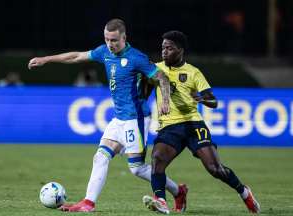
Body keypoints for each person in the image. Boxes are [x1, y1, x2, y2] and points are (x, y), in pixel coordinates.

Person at [28, 19, 187, 212]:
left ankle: (178, 191)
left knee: (136, 168)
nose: (110, 44)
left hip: (135, 119)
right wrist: (46, 59)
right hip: (118, 119)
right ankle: (88, 203)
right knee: (100, 157)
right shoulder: (104, 52)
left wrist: (164, 101)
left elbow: (161, 77)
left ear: (124, 37)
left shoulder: (136, 58)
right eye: (107, 39)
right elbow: (76, 56)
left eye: (114, 40)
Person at [142, 31, 261, 214]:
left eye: (169, 48)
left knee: (215, 169)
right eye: (163, 48)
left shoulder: (193, 73)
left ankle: (244, 192)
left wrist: (202, 98)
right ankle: (161, 201)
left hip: (193, 125)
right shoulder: (156, 69)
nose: (164, 52)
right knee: (157, 160)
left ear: (180, 51)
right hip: (169, 127)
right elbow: (143, 93)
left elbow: (213, 101)